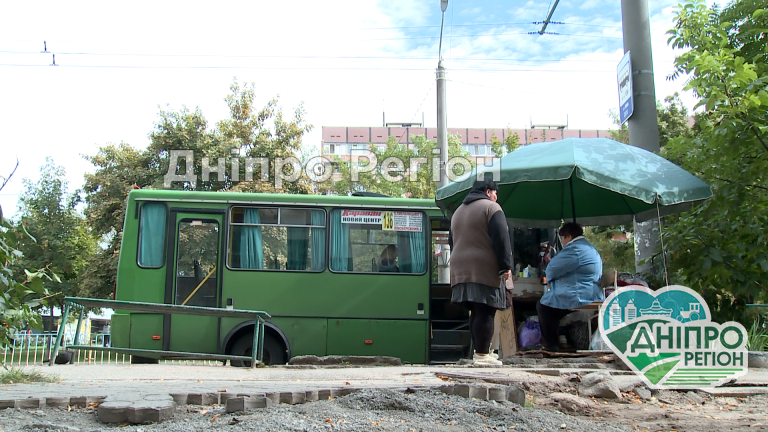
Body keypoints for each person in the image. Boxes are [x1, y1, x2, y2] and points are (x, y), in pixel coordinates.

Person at [449, 178, 513, 366]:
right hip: (483, 266)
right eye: (495, 193)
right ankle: (483, 355)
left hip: (459, 267)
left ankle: (480, 352)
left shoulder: (458, 212)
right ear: (488, 191)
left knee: (475, 310)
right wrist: (505, 265)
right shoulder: (491, 208)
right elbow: (501, 238)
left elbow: (451, 241)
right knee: (486, 309)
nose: (496, 197)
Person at [535, 222, 603, 351]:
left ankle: (550, 345)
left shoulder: (575, 249)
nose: (562, 241)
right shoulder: (587, 247)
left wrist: (552, 278)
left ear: (568, 236)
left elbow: (553, 268)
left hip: (581, 293)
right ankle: (557, 341)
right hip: (589, 290)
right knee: (550, 307)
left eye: (562, 238)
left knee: (544, 307)